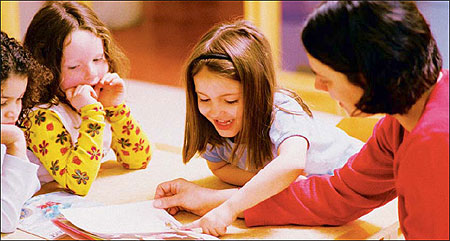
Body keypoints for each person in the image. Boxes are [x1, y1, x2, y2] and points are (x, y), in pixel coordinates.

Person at [153, 2, 449, 239]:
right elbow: (335, 195)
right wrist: (214, 201)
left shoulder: (434, 140)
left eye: (326, 77)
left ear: (369, 74)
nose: (319, 87)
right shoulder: (398, 123)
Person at [165, 19, 363, 236]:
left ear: (259, 93)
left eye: (230, 101)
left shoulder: (280, 108)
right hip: (309, 195)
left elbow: (292, 163)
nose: (215, 111)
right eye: (204, 99)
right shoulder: (211, 125)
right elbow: (219, 168)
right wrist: (273, 183)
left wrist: (230, 207)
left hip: (354, 174)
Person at [21, 1, 153, 196]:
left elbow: (138, 159)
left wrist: (116, 108)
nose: (91, 74)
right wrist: (91, 115)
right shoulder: (40, 116)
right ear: (44, 68)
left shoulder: (95, 96)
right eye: (74, 67)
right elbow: (77, 183)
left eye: (98, 59)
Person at [1, 31, 49, 233]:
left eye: (19, 98)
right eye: (2, 102)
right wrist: (17, 142)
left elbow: (31, 186)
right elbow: (5, 221)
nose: (14, 111)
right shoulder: (11, 137)